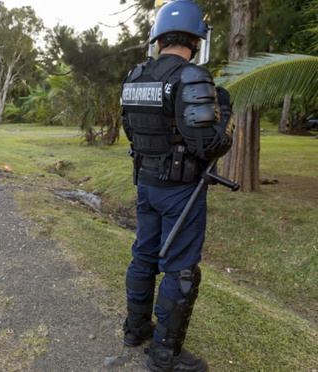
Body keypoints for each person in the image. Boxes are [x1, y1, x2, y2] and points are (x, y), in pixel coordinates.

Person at [120, 1, 234, 371]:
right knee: (180, 269)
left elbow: (131, 131)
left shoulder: (135, 76)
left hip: (146, 184)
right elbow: (210, 144)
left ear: (158, 39)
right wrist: (226, 114)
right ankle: (164, 356)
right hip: (178, 190)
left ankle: (135, 329)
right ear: (196, 39)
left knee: (144, 255)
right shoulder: (190, 77)